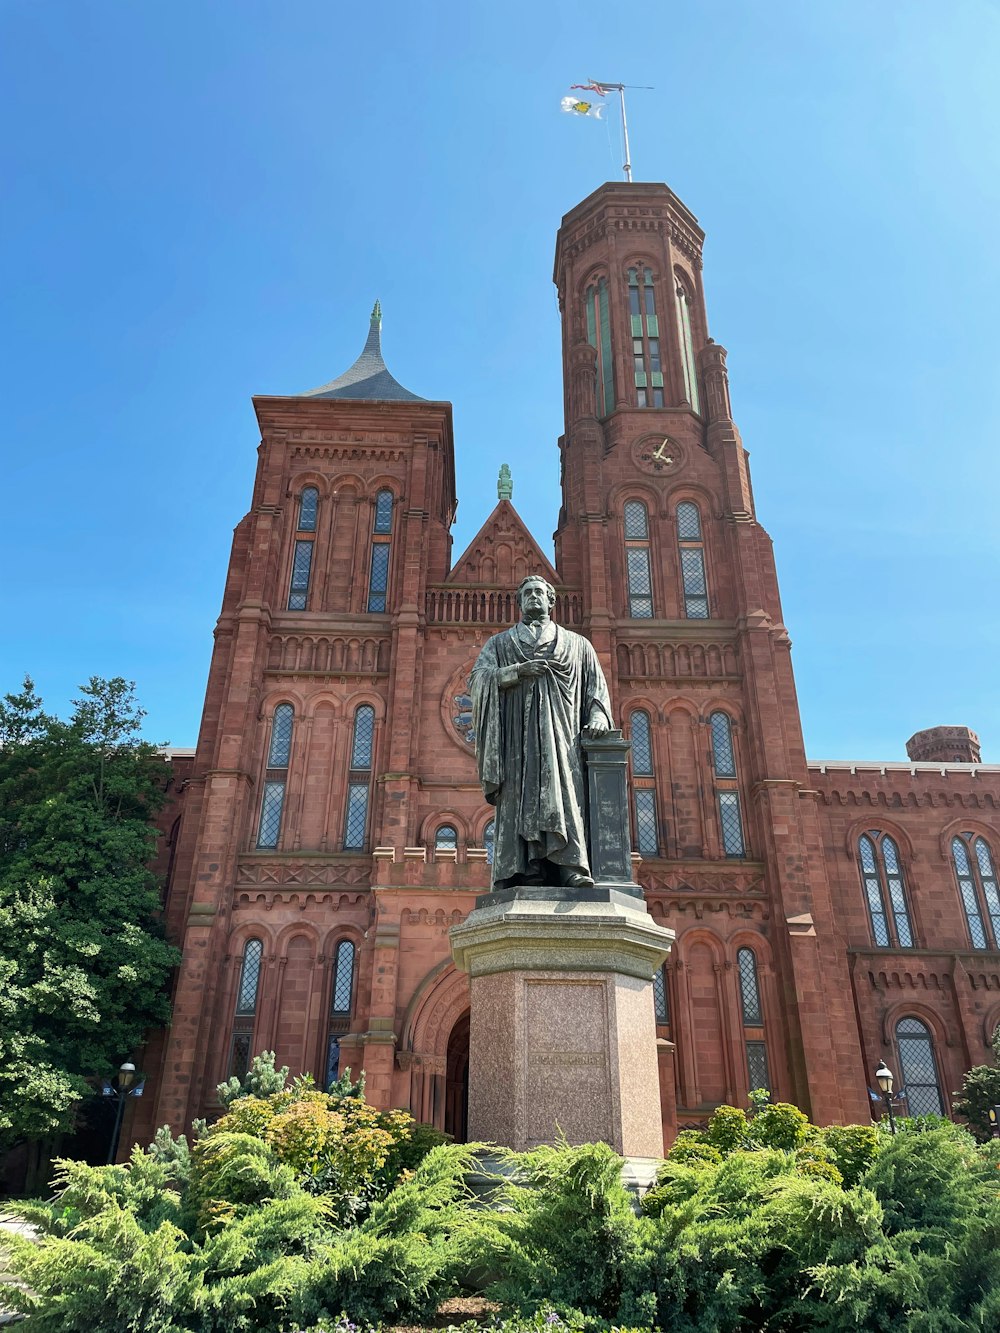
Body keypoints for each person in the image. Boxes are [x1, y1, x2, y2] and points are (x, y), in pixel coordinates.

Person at [470, 574, 613, 889]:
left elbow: (596, 689)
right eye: (527, 593)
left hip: (563, 743)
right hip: (516, 745)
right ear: (519, 602)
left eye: (540, 592)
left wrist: (599, 715)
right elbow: (477, 679)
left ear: (551, 601)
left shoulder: (578, 645)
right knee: (518, 800)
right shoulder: (500, 644)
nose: (534, 596)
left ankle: (570, 868)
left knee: (563, 798)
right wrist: (517, 672)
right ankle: (522, 870)